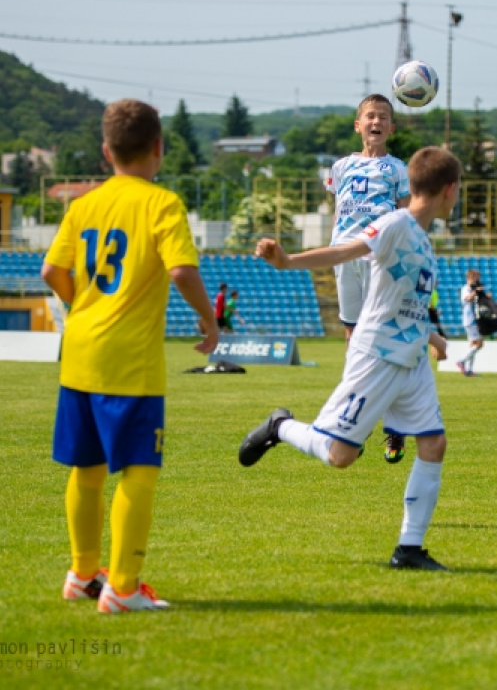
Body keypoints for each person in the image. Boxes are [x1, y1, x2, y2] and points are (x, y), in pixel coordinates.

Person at [239, 146, 460, 571]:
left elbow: (402, 298)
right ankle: (280, 426)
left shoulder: (422, 237)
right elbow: (344, 251)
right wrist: (287, 262)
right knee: (340, 456)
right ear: (449, 190)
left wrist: (433, 337)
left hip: (410, 357)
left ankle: (409, 549)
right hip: (376, 353)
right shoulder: (395, 223)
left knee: (433, 443)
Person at [42, 99, 219, 614]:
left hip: (79, 351)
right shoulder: (161, 203)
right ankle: (121, 587)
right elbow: (182, 271)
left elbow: (52, 272)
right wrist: (209, 321)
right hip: (130, 360)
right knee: (139, 469)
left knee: (87, 468)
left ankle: (81, 574)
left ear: (105, 152)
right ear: (158, 149)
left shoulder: (83, 205)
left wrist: (85, 306)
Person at [325, 93, 410, 464]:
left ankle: (394, 426)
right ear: (358, 125)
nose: (376, 122)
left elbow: (405, 217)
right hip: (345, 256)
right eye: (370, 116)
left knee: (387, 339)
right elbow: (337, 210)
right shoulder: (341, 166)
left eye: (383, 117)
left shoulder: (397, 169)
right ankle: (354, 424)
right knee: (352, 338)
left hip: (379, 257)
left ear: (392, 127)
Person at [456, 268, 484, 376]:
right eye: (477, 278)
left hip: (472, 319)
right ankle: (461, 361)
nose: (478, 280)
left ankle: (469, 370)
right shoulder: (466, 289)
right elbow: (467, 299)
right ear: (471, 278)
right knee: (479, 343)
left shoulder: (472, 289)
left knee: (473, 344)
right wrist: (476, 292)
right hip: (470, 319)